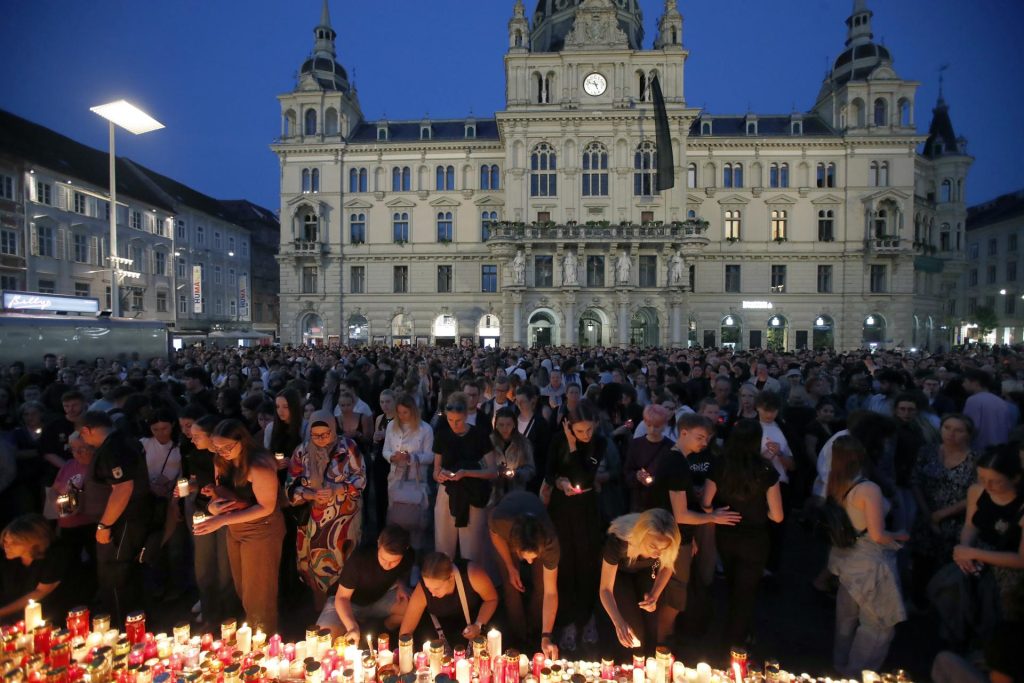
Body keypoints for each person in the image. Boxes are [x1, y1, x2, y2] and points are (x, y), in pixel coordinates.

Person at [826, 435, 908, 677]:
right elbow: (878, 534)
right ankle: (857, 673)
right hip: (870, 561)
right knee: (878, 623)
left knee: (846, 617)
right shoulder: (868, 488)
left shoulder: (835, 482)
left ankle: (840, 664)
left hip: (845, 559)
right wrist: (901, 534)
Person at [195, 419, 286, 633]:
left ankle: (264, 641)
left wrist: (221, 520)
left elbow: (266, 506)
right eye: (218, 448)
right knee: (243, 588)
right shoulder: (220, 461)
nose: (223, 452)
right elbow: (221, 493)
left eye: (228, 447)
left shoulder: (259, 466)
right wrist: (214, 506)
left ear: (242, 441)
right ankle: (255, 635)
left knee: (258, 594)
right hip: (235, 527)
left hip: (261, 529)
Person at [701, 419, 783, 647]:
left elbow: (706, 501)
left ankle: (734, 630)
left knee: (732, 581)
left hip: (726, 533)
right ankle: (735, 641)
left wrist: (713, 513)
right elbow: (778, 516)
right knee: (746, 590)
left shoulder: (720, 464)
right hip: (755, 537)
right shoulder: (766, 470)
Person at [933, 447, 1024, 645]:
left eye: (995, 481)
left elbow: (1021, 559)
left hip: (1007, 574)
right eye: (982, 478)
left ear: (1015, 478)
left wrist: (972, 552)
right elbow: (971, 525)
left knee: (997, 619)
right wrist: (964, 550)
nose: (987, 485)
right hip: (975, 560)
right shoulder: (977, 491)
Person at [541, 400, 607, 651]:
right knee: (566, 563)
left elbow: (584, 475)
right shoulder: (557, 440)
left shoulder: (598, 443)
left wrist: (573, 445)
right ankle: (568, 620)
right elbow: (548, 472)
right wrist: (559, 482)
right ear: (569, 426)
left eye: (589, 430)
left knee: (587, 563)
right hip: (562, 508)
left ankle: (587, 616)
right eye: (580, 431)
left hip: (587, 507)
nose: (585, 435)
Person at [286, 411, 366, 610]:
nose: (321, 440)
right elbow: (289, 487)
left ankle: (347, 608)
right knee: (317, 569)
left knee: (345, 565)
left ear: (333, 430)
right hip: (313, 524)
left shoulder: (348, 448)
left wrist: (341, 488)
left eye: (325, 434)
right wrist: (309, 494)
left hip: (344, 522)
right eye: (316, 436)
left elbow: (361, 478)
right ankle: (321, 611)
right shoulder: (302, 452)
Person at [78, 410, 150, 623]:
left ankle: (122, 626)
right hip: (131, 517)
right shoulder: (124, 440)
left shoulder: (112, 449)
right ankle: (135, 623)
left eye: (83, 436)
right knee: (127, 573)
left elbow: (123, 488)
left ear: (86, 430)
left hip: (123, 521)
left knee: (115, 575)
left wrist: (104, 525)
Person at [177, 415, 236, 626]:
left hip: (225, 515)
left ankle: (228, 617)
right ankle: (210, 615)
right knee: (203, 565)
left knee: (225, 568)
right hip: (204, 512)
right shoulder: (197, 456)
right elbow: (200, 482)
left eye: (196, 436)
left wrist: (217, 495)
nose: (192, 440)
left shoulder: (228, 457)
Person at [910, 413, 976, 599]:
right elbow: (915, 481)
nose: (951, 434)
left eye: (958, 430)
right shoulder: (927, 451)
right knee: (921, 564)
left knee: (947, 568)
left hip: (955, 522)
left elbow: (976, 494)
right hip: (925, 517)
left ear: (968, 434)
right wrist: (928, 514)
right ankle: (918, 601)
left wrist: (941, 515)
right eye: (947, 428)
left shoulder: (975, 460)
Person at [598, 509, 681, 655]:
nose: (657, 553)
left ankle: (648, 667)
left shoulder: (666, 539)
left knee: (651, 625)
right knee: (633, 630)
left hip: (645, 571)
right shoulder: (620, 541)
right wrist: (619, 623)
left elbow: (667, 566)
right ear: (641, 536)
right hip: (619, 572)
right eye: (653, 547)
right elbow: (605, 589)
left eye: (663, 548)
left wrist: (654, 595)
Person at [488, 491, 560, 657]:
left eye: (533, 558)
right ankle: (518, 636)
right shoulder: (501, 522)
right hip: (508, 519)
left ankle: (536, 633)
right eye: (525, 558)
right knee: (510, 584)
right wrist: (510, 566)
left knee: (542, 586)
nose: (529, 562)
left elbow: (551, 592)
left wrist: (546, 634)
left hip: (535, 523)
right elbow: (494, 534)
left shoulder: (550, 541)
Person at [317, 524, 414, 640]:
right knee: (324, 638)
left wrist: (401, 586)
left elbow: (401, 573)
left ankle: (381, 632)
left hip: (379, 599)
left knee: (411, 607)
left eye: (394, 562)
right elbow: (342, 598)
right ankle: (352, 628)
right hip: (348, 603)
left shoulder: (408, 556)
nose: (387, 565)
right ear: (379, 543)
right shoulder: (360, 559)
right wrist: (352, 626)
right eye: (383, 559)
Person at [433, 393, 495, 563]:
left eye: (458, 420)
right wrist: (439, 475)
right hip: (447, 492)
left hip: (473, 492)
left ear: (466, 416)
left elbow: (492, 471)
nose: (454, 424)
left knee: (472, 545)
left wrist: (466, 473)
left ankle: (473, 580)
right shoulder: (442, 436)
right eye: (450, 420)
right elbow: (436, 469)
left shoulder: (479, 435)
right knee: (444, 541)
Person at [398, 551, 499, 645]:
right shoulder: (422, 590)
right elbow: (406, 631)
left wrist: (479, 625)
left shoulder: (472, 574)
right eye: (428, 588)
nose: (432, 594)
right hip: (438, 631)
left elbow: (491, 599)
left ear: (451, 576)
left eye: (437, 588)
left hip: (474, 621)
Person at [383, 393, 434, 549]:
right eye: (399, 412)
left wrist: (412, 458)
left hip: (416, 480)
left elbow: (431, 456)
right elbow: (385, 450)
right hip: (395, 479)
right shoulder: (392, 426)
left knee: (415, 518)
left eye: (405, 412)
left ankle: (416, 555)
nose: (402, 416)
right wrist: (393, 456)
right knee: (396, 515)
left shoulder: (425, 429)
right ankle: (395, 548)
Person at [0, 514, 72, 621]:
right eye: (5, 541)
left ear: (33, 542)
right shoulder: (9, 558)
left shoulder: (53, 558)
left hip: (49, 614)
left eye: (14, 543)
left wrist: (2, 612)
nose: (7, 546)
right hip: (14, 615)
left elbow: (40, 592)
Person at [623, 404, 674, 512]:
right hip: (639, 501)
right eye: (649, 424)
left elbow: (675, 477)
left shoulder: (671, 448)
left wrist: (658, 480)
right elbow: (627, 471)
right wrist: (637, 476)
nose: (652, 429)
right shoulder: (635, 444)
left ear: (664, 425)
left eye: (656, 426)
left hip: (661, 503)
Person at [488, 407, 536, 503]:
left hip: (516, 495)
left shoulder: (523, 443)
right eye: (501, 425)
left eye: (508, 424)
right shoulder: (488, 443)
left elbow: (531, 469)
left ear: (514, 424)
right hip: (492, 495)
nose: (505, 428)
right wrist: (496, 471)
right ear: (496, 425)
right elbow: (481, 467)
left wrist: (516, 473)